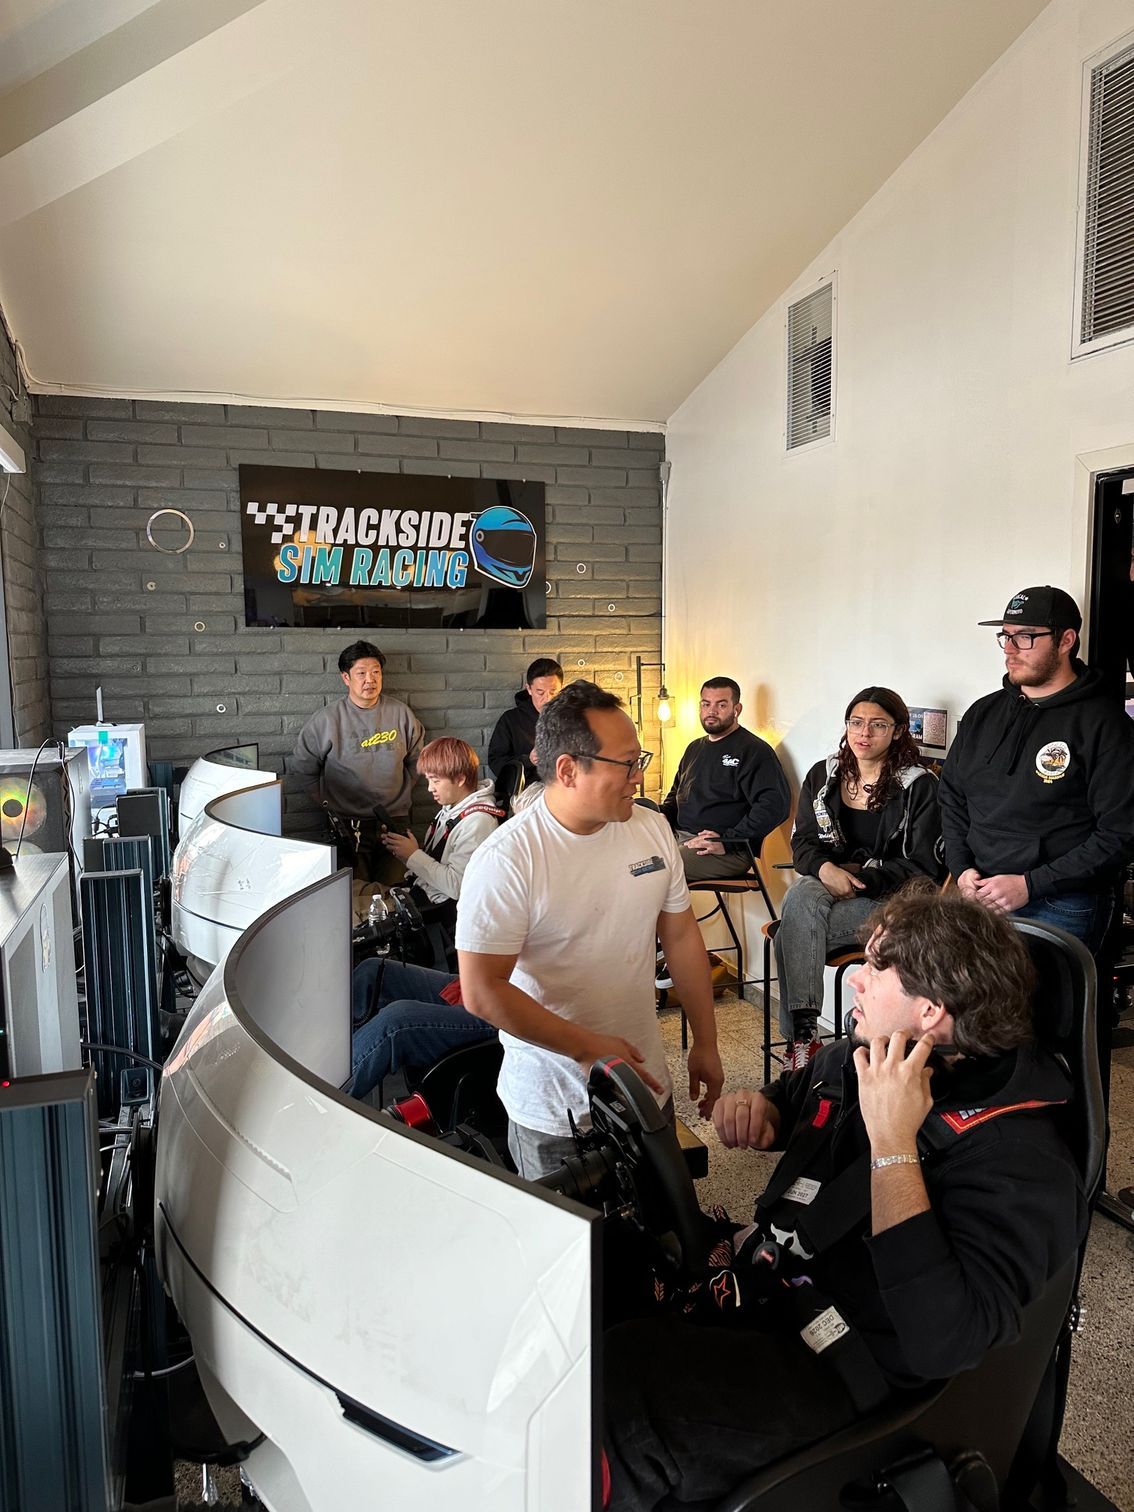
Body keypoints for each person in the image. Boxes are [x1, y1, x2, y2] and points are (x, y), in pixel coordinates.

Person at [603, 886, 1086, 1511]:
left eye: (878, 966)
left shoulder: (1021, 1163)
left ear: (931, 1011)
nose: (855, 977)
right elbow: (796, 1096)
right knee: (595, 1265)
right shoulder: (856, 1057)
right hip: (781, 1287)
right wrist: (766, 1111)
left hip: (850, 1370)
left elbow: (945, 1339)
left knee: (619, 1396)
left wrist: (893, 1144)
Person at [457, 679, 725, 1179]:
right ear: (567, 770)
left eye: (638, 760)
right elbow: (480, 989)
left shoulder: (651, 828)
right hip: (555, 1110)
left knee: (662, 1241)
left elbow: (682, 936)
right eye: (627, 764)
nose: (638, 779)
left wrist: (706, 1043)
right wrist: (587, 1047)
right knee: (578, 1254)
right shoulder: (509, 858)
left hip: (645, 1087)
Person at [939, 585, 1134, 954]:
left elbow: (1120, 833)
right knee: (972, 1009)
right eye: (1006, 637)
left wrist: (1030, 884)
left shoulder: (1104, 724)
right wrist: (962, 868)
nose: (1010, 650)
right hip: (977, 894)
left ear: (1066, 640)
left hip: (1060, 904)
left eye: (1025, 637)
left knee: (1040, 1012)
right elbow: (951, 796)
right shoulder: (984, 713)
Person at [775, 686, 943, 1070]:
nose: (864, 733)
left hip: (891, 900)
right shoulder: (824, 775)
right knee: (804, 891)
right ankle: (805, 1038)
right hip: (828, 888)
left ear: (898, 731)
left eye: (877, 725)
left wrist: (861, 880)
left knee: (792, 927)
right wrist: (826, 870)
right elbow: (802, 841)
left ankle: (801, 1042)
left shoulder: (918, 787)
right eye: (856, 722)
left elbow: (923, 868)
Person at [290, 640, 424, 883]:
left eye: (375, 673)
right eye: (361, 673)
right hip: (346, 825)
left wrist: (400, 793)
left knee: (396, 890)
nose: (369, 680)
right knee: (352, 894)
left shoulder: (401, 714)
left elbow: (418, 761)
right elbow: (303, 768)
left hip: (393, 821)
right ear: (346, 678)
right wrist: (326, 803)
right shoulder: (327, 720)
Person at [661, 677, 790, 882]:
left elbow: (775, 805)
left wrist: (728, 841)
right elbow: (675, 795)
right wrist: (661, 816)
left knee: (653, 872)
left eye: (721, 705)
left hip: (726, 850)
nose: (711, 711)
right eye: (706, 704)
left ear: (736, 709)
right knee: (629, 861)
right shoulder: (694, 748)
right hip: (680, 838)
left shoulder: (754, 750)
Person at [379, 736, 504, 918]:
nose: (430, 788)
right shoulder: (452, 808)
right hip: (417, 891)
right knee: (352, 890)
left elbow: (457, 886)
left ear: (460, 779)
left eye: (435, 781)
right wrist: (406, 852)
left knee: (347, 908)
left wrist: (413, 855)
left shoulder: (478, 822)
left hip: (430, 909)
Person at [348, 960, 495, 1101]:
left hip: (498, 1013)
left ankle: (332, 1091)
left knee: (397, 1021)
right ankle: (330, 1058)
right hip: (479, 985)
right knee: (370, 972)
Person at [487, 657, 564, 797]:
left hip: (565, 789)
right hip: (526, 793)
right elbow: (496, 761)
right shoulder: (511, 720)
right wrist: (528, 760)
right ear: (529, 688)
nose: (547, 699)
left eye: (553, 692)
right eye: (540, 692)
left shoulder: (571, 719)